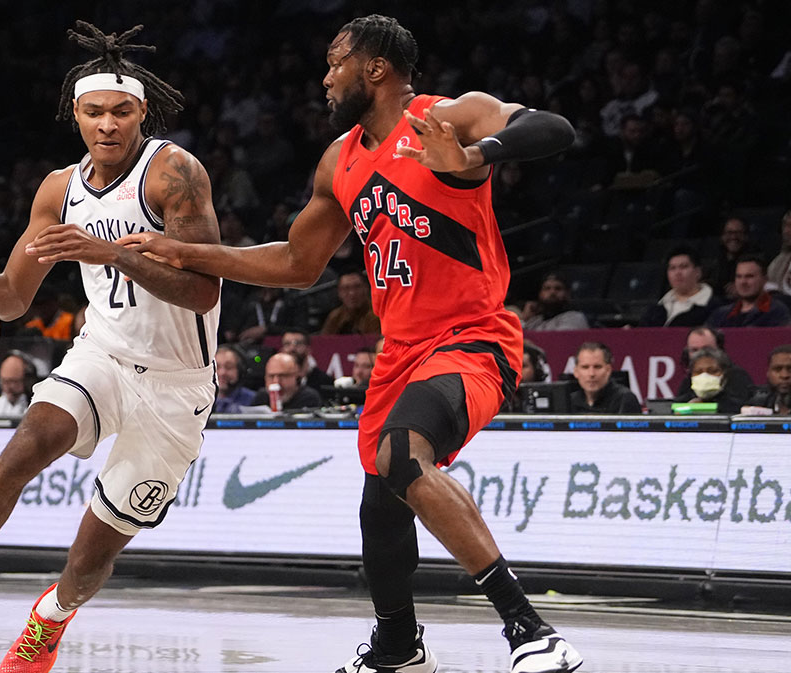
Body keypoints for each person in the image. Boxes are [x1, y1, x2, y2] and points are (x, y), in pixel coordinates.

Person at [120, 14, 581, 672]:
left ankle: (529, 628)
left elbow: (554, 129)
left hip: (472, 334)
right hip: (400, 352)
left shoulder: (447, 116)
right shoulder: (339, 160)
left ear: (375, 68)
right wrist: (184, 250)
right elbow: (296, 262)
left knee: (401, 455)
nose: (326, 75)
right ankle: (397, 646)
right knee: (380, 508)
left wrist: (475, 157)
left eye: (337, 61)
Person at [0, 22, 222, 673]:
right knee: (25, 443)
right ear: (74, 115)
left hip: (177, 386)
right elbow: (13, 295)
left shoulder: (176, 174)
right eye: (93, 112)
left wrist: (109, 253)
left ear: (142, 111)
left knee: (91, 556)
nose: (106, 124)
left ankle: (50, 617)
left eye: (120, 111)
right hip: (102, 356)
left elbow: (202, 289)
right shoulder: (59, 190)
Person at [639, 246, 717, 327]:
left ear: (698, 272)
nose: (677, 273)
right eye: (672, 268)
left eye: (683, 267)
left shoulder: (714, 308)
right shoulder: (654, 310)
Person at [707, 256, 791, 327]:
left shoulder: (777, 312)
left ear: (765, 279)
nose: (743, 282)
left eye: (749, 276)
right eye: (739, 276)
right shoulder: (721, 314)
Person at [674, 326, 754, 402]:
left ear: (719, 348)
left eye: (707, 349)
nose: (701, 354)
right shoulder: (689, 379)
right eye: (694, 350)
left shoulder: (738, 376)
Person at [567, 342, 641, 414]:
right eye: (585, 367)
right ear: (576, 372)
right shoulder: (570, 401)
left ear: (608, 370)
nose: (591, 374)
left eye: (597, 367)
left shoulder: (624, 399)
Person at [675, 347, 747, 414]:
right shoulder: (679, 404)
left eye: (712, 371)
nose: (705, 375)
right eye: (698, 372)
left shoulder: (739, 407)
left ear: (724, 374)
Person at [251, 352, 321, 411]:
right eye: (271, 376)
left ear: (297, 377)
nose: (276, 382)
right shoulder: (262, 396)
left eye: (283, 376)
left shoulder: (309, 397)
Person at [522, 272, 590, 331]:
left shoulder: (575, 317)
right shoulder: (535, 320)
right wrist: (525, 318)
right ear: (540, 294)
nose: (552, 292)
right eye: (547, 288)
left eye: (558, 288)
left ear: (567, 294)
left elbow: (557, 341)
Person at [213, 346, 255, 413]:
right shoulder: (201, 399)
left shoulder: (253, 400)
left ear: (240, 371)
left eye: (229, 367)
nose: (222, 373)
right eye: (217, 367)